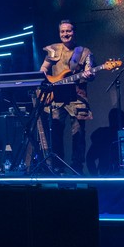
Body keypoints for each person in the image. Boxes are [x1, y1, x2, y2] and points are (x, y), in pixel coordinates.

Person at [37, 21, 95, 173]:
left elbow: (90, 71)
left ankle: (77, 168)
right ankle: (58, 167)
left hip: (77, 97)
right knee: (56, 132)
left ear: (74, 32)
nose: (65, 34)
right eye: (62, 31)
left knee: (78, 134)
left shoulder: (84, 52)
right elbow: (43, 70)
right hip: (57, 97)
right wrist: (47, 81)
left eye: (68, 31)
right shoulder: (54, 49)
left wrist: (89, 74)